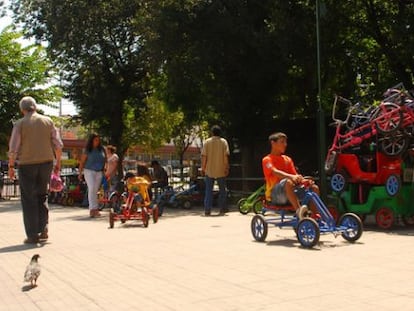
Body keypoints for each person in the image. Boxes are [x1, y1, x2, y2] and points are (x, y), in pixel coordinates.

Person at [8, 96, 63, 244]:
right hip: (46, 162)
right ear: (35, 107)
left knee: (29, 199)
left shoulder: (20, 124)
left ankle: (32, 235)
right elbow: (58, 145)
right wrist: (58, 162)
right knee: (42, 195)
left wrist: (11, 166)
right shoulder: (48, 121)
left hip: (27, 164)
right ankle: (44, 228)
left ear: (22, 109)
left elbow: (13, 148)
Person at [262, 132, 319, 219]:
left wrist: (304, 181)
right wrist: (291, 177)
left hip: (289, 192)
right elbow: (275, 172)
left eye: (285, 142)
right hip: (275, 195)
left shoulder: (287, 159)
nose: (285, 144)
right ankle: (299, 212)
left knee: (314, 187)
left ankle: (315, 216)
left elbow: (294, 175)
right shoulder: (267, 160)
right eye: (282, 142)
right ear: (273, 143)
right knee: (288, 182)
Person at [201, 125, 230, 216]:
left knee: (208, 190)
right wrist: (226, 168)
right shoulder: (224, 142)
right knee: (222, 190)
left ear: (212, 132)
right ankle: (222, 208)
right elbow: (225, 156)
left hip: (209, 170)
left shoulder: (207, 142)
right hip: (220, 169)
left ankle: (207, 209)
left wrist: (203, 168)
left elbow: (204, 156)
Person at [78, 133, 107, 217]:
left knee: (95, 190)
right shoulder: (87, 150)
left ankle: (96, 209)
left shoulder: (102, 150)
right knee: (91, 188)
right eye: (96, 140)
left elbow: (105, 161)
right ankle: (92, 209)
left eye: (98, 140)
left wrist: (104, 170)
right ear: (92, 140)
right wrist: (80, 173)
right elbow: (82, 162)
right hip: (89, 171)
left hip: (99, 171)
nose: (97, 142)